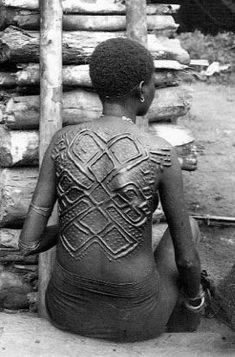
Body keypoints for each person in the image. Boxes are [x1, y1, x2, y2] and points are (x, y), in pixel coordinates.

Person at [19, 38, 204, 342]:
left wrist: (78, 221)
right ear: (142, 89)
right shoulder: (161, 154)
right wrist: (196, 300)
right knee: (190, 229)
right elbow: (186, 260)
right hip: (138, 321)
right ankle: (189, 316)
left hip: (64, 311)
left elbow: (27, 244)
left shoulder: (63, 141)